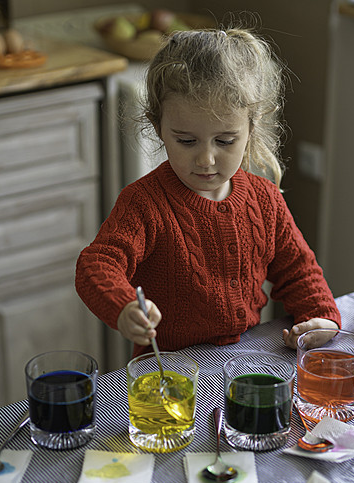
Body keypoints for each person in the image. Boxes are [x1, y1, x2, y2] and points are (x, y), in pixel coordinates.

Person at [75, 24, 340, 357]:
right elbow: (96, 266)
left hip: (246, 359)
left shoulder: (264, 199)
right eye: (186, 141)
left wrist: (320, 315)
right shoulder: (144, 203)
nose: (206, 158)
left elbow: (299, 270)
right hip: (167, 368)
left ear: (251, 127)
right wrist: (123, 306)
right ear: (158, 128)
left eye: (225, 141)